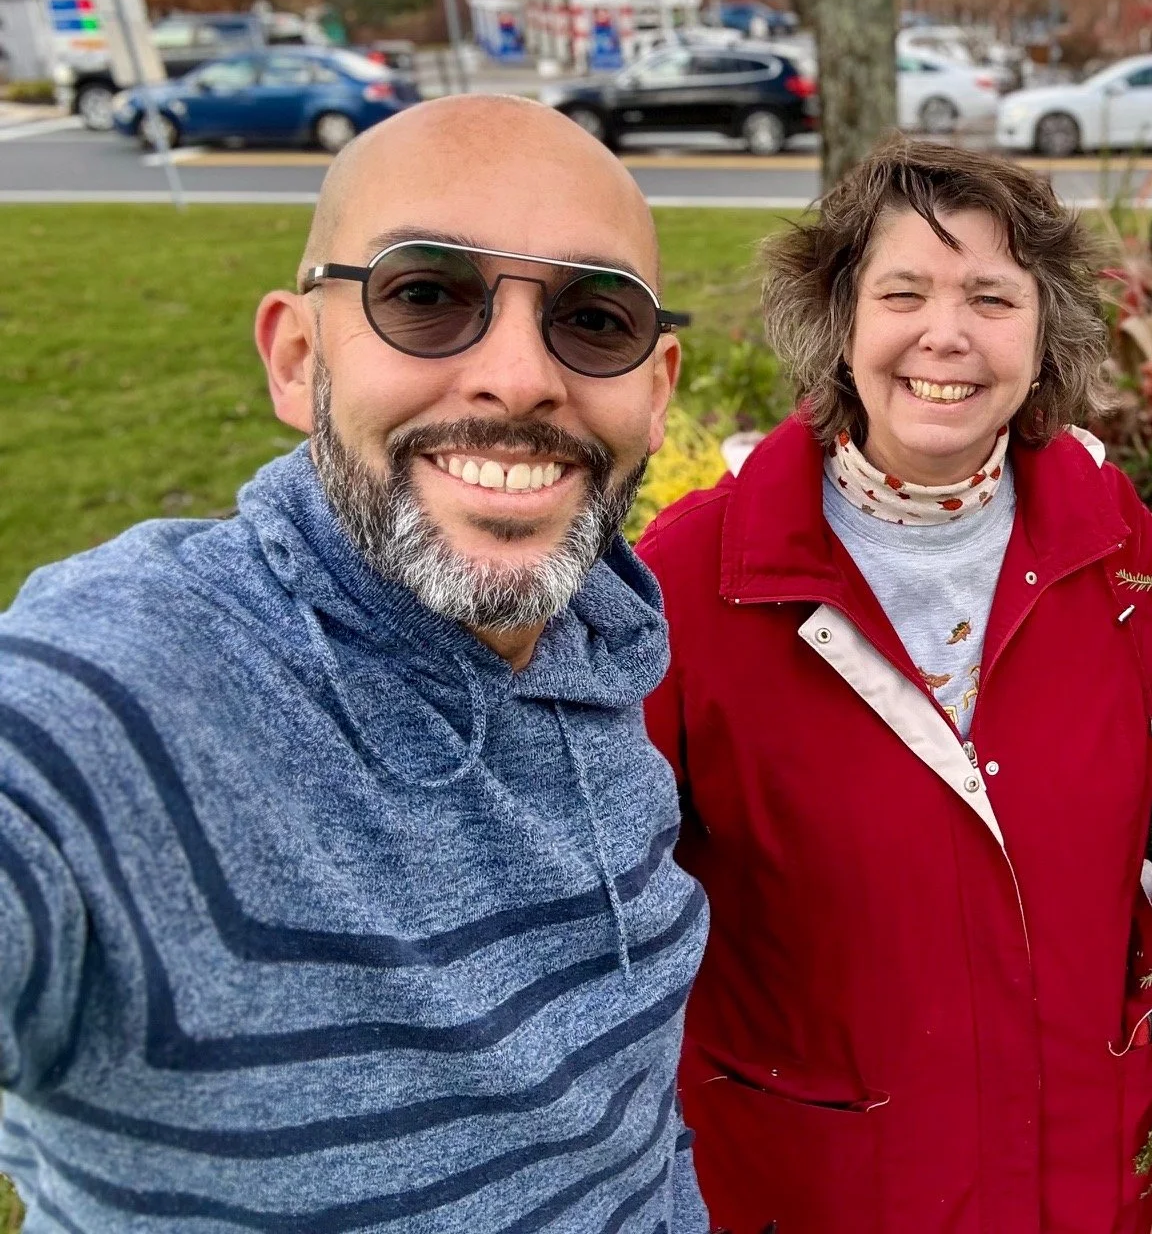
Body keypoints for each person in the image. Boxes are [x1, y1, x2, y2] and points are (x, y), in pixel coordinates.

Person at [0, 96, 711, 1230]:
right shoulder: (135, 695)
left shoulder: (600, 646)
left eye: (595, 317)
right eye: (426, 295)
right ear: (297, 356)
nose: (521, 376)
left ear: (657, 386)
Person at [637, 138, 1152, 1233]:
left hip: (1078, 1181)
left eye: (991, 298)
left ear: (1042, 332)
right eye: (902, 292)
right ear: (841, 322)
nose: (945, 336)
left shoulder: (1114, 544)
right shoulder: (696, 580)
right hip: (828, 1190)